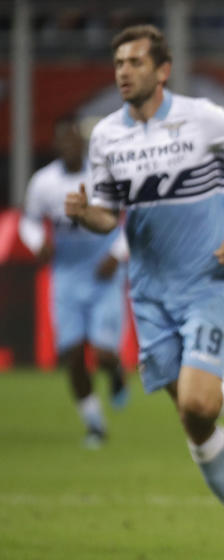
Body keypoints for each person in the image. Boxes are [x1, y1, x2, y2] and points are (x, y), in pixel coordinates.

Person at [64, 24, 224, 560]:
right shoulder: (106, 138)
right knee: (195, 417)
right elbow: (108, 217)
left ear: (161, 71)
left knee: (196, 400)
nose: (124, 71)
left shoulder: (201, 117)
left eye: (136, 62)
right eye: (118, 62)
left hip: (206, 280)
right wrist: (85, 215)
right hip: (148, 293)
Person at [20, 116, 130, 449]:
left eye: (74, 140)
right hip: (66, 274)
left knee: (102, 351)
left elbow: (130, 219)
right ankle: (95, 424)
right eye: (63, 140)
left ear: (83, 144)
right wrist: (39, 243)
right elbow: (30, 222)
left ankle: (115, 372)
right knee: (71, 352)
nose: (69, 146)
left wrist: (117, 254)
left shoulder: (103, 178)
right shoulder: (43, 183)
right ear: (56, 145)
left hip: (103, 271)